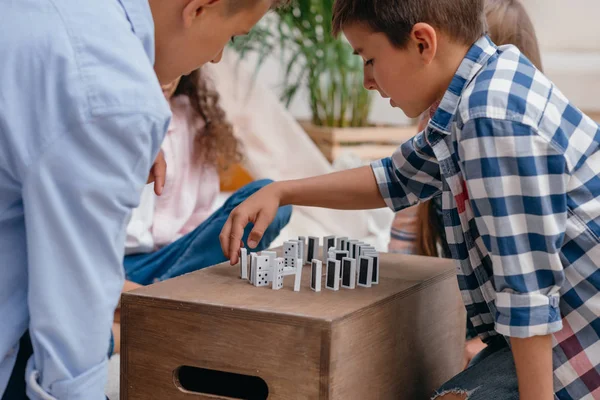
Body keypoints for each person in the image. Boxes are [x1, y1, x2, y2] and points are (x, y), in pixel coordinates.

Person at [219, 0, 600, 398]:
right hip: (554, 333)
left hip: (579, 343)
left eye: (369, 59)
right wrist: (282, 191)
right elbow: (395, 178)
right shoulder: (480, 86)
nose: (367, 80)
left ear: (422, 42)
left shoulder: (490, 117)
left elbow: (529, 296)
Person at [0, 0, 285, 399]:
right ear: (200, 8)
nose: (218, 57)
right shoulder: (115, 92)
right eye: (232, 36)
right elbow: (71, 330)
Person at [389, 0, 545, 370]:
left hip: (519, 334)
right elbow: (394, 189)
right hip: (458, 319)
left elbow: (528, 291)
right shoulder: (437, 143)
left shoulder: (494, 125)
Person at [108, 70, 292, 354]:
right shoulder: (107, 118)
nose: (168, 78)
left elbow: (198, 227)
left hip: (170, 268)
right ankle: (164, 309)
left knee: (271, 197)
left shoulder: (191, 119)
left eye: (177, 69)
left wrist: (163, 287)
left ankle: (157, 308)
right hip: (110, 268)